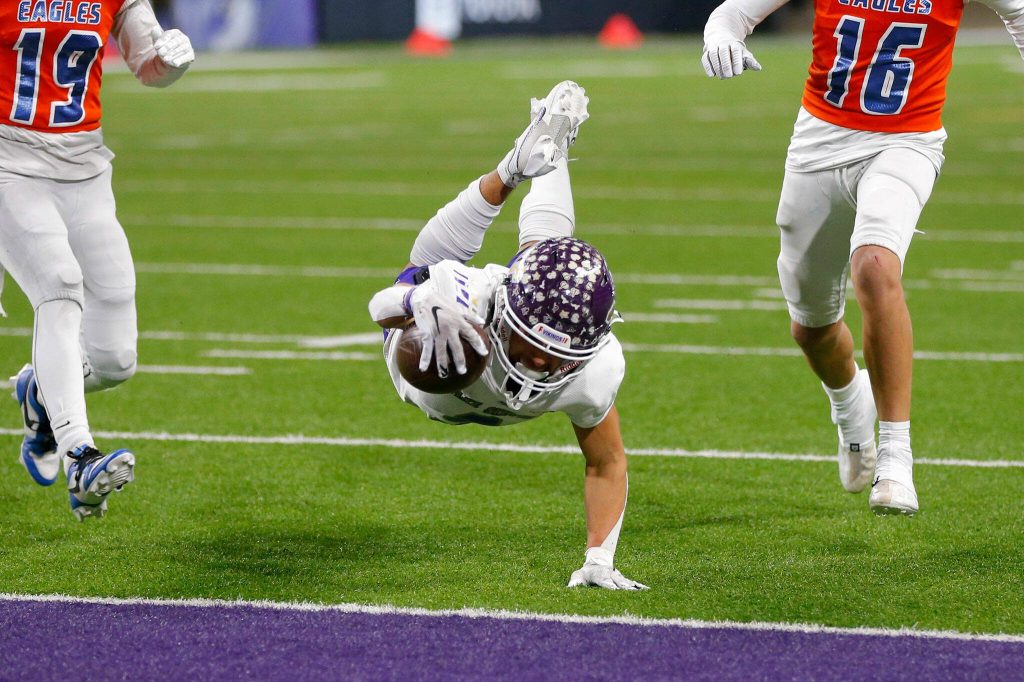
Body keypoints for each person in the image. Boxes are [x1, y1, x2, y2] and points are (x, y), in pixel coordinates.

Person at [701, 0, 1024, 515]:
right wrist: (721, 36)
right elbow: (734, 13)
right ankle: (851, 406)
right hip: (819, 143)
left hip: (907, 141)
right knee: (811, 329)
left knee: (875, 265)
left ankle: (897, 456)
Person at [368, 81, 647, 590]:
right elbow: (382, 302)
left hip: (501, 328)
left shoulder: (596, 367)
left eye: (558, 358)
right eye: (530, 347)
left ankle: (548, 144)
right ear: (502, 315)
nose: (540, 367)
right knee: (424, 269)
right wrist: (413, 301)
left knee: (550, 256)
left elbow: (606, 462)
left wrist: (599, 559)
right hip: (433, 357)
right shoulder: (468, 300)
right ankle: (513, 167)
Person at [1, 0, 195, 521]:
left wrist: (172, 60)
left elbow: (148, 66)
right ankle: (80, 456)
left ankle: (39, 391)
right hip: (9, 162)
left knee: (115, 360)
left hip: (85, 168)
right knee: (60, 287)